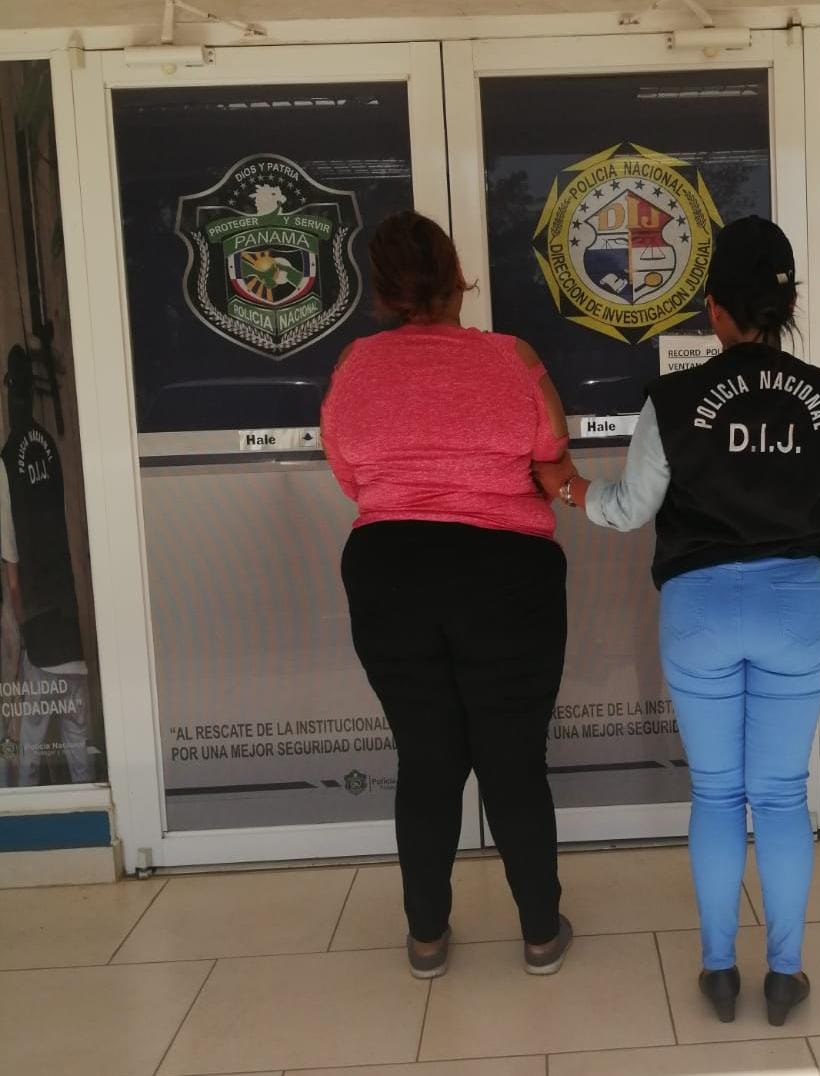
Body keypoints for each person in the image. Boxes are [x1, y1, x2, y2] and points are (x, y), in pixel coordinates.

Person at [535, 216, 820, 1027]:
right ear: (788, 305)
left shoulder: (674, 399)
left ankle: (720, 971)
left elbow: (630, 509)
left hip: (699, 611)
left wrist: (567, 487)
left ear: (715, 310)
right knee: (783, 795)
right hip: (796, 607)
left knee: (720, 794)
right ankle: (785, 976)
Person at [321, 210, 573, 979]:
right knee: (513, 758)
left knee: (427, 758)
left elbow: (351, 476)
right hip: (507, 570)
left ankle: (427, 937)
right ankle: (540, 932)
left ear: (381, 291)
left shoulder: (354, 366)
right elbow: (553, 453)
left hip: (391, 568)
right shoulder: (512, 357)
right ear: (459, 278)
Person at [0, 344, 93, 787]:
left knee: (30, 754)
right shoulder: (50, 449)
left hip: (40, 635)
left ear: (9, 394)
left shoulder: (6, 460)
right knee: (79, 751)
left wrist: (20, 624)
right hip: (71, 634)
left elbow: (12, 562)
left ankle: (27, 819)